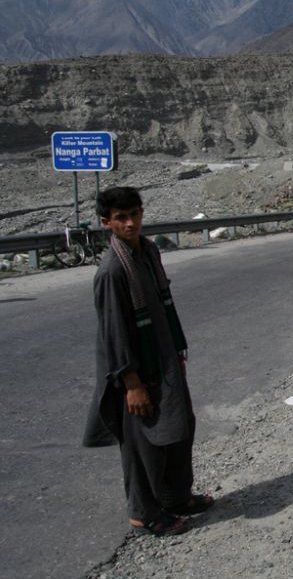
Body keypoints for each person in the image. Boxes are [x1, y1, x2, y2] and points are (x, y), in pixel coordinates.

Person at [82, 187, 212, 537]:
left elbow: (163, 306)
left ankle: (176, 496)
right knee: (143, 443)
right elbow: (115, 333)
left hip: (164, 359)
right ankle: (143, 513)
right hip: (136, 371)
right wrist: (132, 384)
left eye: (135, 214)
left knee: (179, 426)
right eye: (121, 218)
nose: (131, 222)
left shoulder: (149, 252)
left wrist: (175, 353)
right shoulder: (112, 271)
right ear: (106, 222)